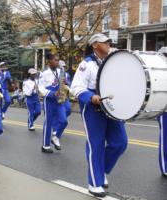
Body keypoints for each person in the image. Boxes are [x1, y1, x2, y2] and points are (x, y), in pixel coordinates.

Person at [70, 33, 128, 197]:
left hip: (110, 106)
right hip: (93, 108)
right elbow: (76, 87)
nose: (108, 44)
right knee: (96, 145)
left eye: (109, 42)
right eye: (104, 42)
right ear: (95, 45)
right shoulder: (86, 64)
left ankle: (101, 170)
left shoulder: (111, 62)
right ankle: (94, 183)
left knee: (120, 143)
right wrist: (91, 97)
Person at [38, 53, 68, 153]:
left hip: (59, 100)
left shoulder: (60, 71)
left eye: (58, 60)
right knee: (49, 122)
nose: (57, 62)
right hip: (49, 100)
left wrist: (65, 83)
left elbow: (63, 83)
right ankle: (45, 146)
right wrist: (52, 93)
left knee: (64, 121)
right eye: (55, 60)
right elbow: (40, 88)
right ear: (49, 61)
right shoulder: (44, 72)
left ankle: (56, 137)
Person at [51, 60, 72, 150]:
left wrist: (67, 83)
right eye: (61, 66)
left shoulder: (66, 75)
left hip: (64, 97)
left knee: (68, 110)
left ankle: (57, 131)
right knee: (60, 118)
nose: (63, 68)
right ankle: (55, 129)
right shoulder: (52, 74)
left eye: (64, 66)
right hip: (55, 98)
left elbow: (70, 84)